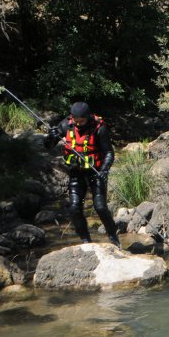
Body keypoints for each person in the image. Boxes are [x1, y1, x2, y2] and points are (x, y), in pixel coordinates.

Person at [44, 102, 119, 247]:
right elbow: (48, 146)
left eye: (82, 121)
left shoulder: (99, 128)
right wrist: (51, 137)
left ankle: (113, 236)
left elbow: (109, 152)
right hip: (76, 172)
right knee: (74, 207)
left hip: (95, 172)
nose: (78, 124)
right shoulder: (66, 125)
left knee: (100, 207)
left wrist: (104, 170)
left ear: (88, 117)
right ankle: (86, 241)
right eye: (76, 121)